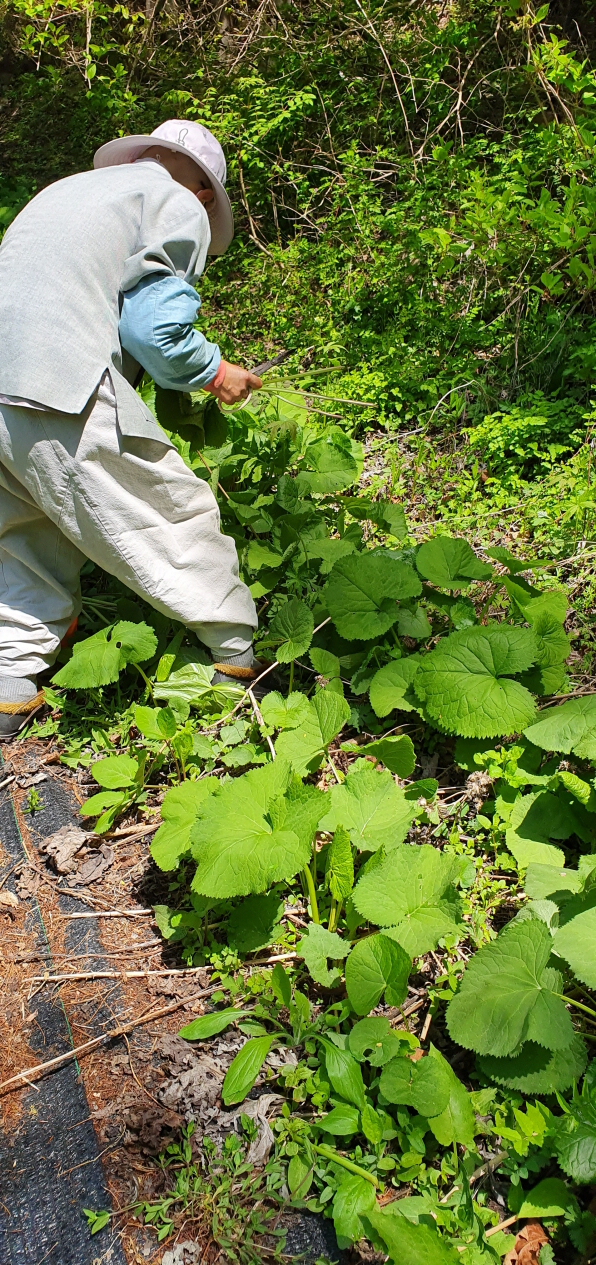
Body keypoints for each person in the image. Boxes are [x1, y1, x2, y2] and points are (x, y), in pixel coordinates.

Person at [0, 119, 264, 738]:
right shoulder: (173, 202)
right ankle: (235, 658)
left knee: (27, 530)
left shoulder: (64, 193)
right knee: (169, 510)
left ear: (143, 153)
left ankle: (8, 681)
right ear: (205, 195)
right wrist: (213, 370)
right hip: (59, 378)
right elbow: (154, 332)